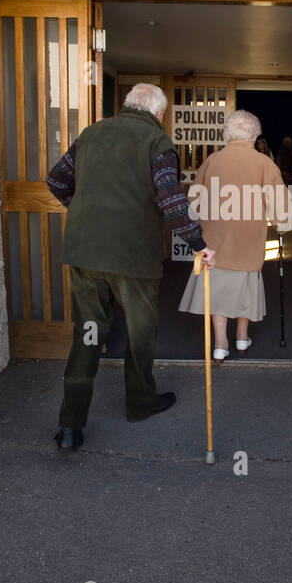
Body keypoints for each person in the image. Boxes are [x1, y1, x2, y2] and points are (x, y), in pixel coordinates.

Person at [45, 83, 216, 451]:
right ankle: (139, 403)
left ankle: (70, 424)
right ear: (158, 114)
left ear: (127, 106)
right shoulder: (158, 143)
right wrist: (200, 245)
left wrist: (83, 210)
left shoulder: (91, 134)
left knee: (87, 333)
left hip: (83, 253)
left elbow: (56, 180)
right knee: (140, 331)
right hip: (132, 257)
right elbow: (172, 202)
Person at [178, 110, 292, 363]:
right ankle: (242, 337)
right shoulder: (264, 163)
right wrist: (283, 226)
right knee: (245, 289)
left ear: (228, 133)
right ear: (254, 134)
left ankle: (220, 344)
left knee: (217, 290)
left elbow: (194, 202)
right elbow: (281, 205)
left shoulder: (212, 161)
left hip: (215, 239)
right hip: (248, 240)